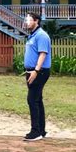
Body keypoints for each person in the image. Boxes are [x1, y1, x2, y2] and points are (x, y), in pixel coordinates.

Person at [23, 12, 52, 141]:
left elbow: (42, 54)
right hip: (31, 71)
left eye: (29, 20)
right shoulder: (32, 36)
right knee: (37, 100)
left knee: (32, 100)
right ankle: (41, 130)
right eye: (26, 20)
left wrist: (35, 70)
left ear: (37, 21)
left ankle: (35, 132)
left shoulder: (41, 36)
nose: (27, 22)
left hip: (39, 72)